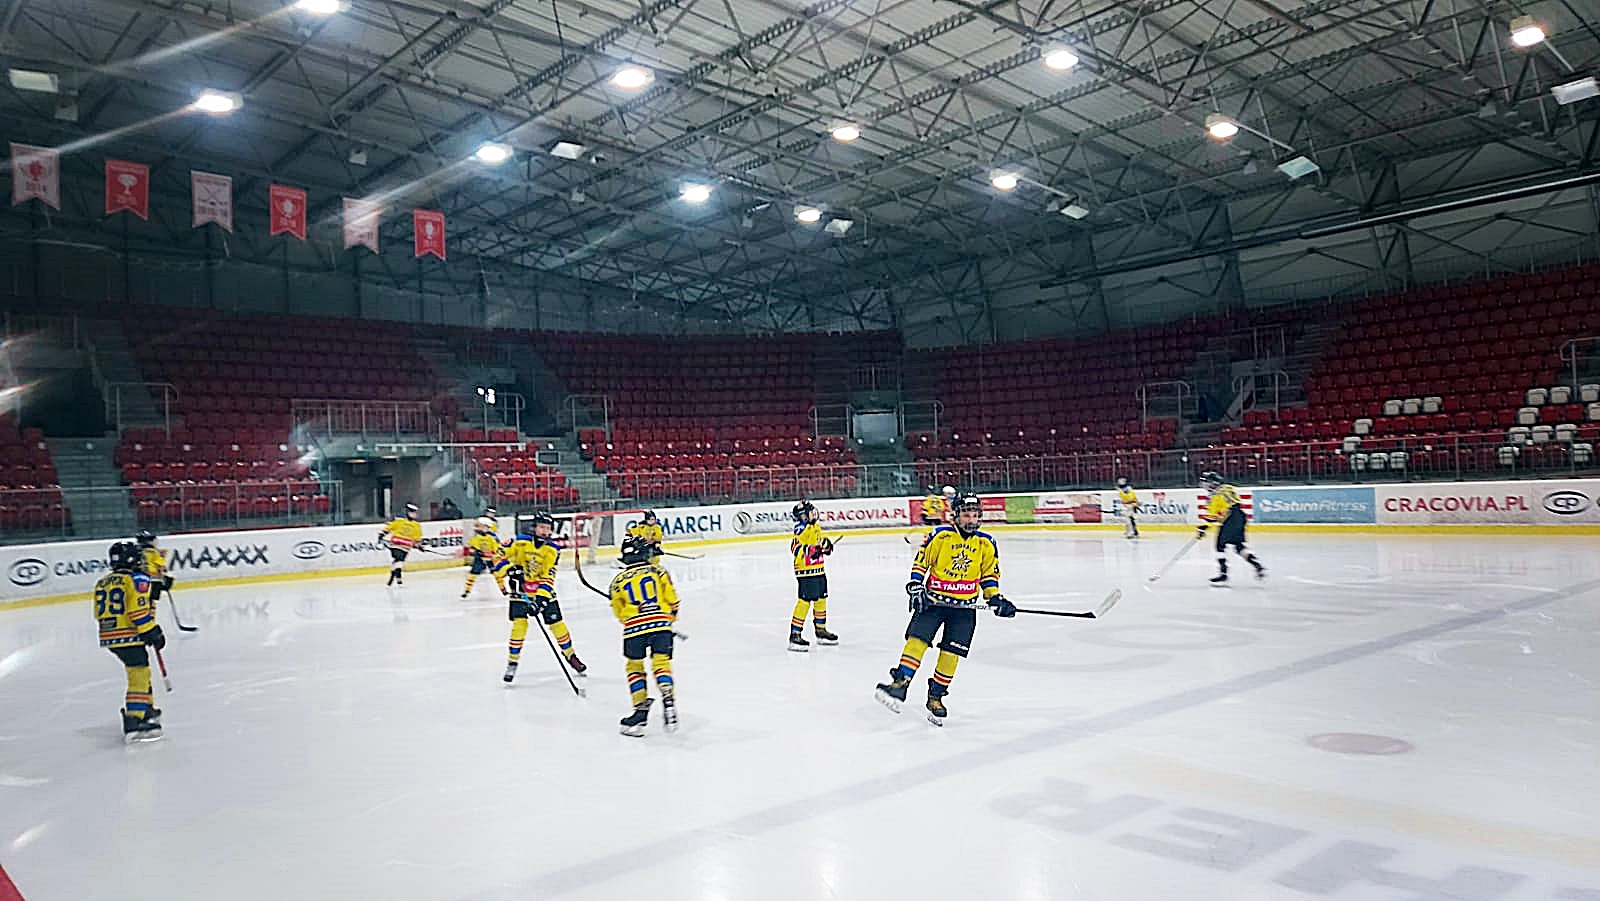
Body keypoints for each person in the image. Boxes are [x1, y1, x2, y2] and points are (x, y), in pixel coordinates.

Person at [874, 494, 1015, 725]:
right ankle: (901, 683)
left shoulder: (986, 543)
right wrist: (915, 585)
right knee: (917, 641)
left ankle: (936, 696)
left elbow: (989, 575)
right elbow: (921, 562)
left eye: (975, 515)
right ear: (955, 516)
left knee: (951, 653)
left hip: (964, 608)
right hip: (933, 602)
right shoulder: (940, 536)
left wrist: (995, 598)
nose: (971, 520)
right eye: (966, 515)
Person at [502, 511, 586, 683]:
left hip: (542, 591)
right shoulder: (519, 541)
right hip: (520, 591)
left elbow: (549, 576)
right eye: (541, 527)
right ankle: (512, 662)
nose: (545, 531)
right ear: (534, 527)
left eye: (548, 528)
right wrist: (509, 569)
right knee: (519, 626)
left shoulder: (553, 549)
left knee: (557, 624)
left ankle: (570, 656)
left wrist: (540, 601)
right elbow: (497, 555)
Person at [95, 541, 166, 742]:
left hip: (109, 635)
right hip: (129, 634)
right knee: (139, 674)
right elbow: (137, 611)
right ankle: (134, 719)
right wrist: (151, 630)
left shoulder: (102, 582)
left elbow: (98, 612)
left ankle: (146, 708)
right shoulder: (135, 579)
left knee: (140, 670)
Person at [610, 536, 681, 737]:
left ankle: (640, 712)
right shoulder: (658, 571)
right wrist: (669, 619)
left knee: (635, 667)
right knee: (661, 662)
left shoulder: (617, 582)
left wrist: (632, 616)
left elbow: (619, 612)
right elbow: (672, 600)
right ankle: (667, 694)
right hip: (660, 623)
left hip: (634, 628)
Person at [787, 500, 838, 651]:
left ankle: (821, 630)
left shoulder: (815, 527)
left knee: (821, 599)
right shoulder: (800, 530)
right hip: (805, 571)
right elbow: (795, 547)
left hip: (819, 569)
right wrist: (809, 550)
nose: (813, 514)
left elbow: (820, 541)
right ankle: (795, 634)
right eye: (809, 512)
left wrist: (826, 546)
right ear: (802, 516)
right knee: (805, 601)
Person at [1196, 471, 1264, 584]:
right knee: (1239, 546)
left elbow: (1212, 516)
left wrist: (1202, 528)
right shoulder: (1229, 488)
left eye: (1206, 482)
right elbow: (1231, 504)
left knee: (1220, 546)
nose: (1204, 485)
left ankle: (1223, 573)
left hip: (1230, 519)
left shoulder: (1214, 496)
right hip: (1241, 516)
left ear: (1212, 483)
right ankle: (1257, 564)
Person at [462, 517, 508, 599]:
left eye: (480, 526)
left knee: (497, 574)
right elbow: (472, 548)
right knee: (473, 574)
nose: (477, 528)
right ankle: (467, 590)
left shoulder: (491, 538)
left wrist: (495, 554)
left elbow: (496, 548)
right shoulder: (476, 538)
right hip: (479, 559)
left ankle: (503, 589)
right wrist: (476, 552)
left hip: (491, 559)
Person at [378, 503, 422, 586]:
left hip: (406, 548)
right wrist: (382, 534)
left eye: (414, 513)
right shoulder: (399, 521)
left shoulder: (417, 525)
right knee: (399, 560)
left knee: (397, 562)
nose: (414, 514)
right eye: (412, 512)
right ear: (407, 513)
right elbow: (388, 528)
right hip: (395, 545)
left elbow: (417, 539)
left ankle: (395, 579)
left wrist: (419, 546)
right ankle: (397, 580)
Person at [135, 529, 174, 603]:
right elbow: (161, 567)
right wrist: (167, 577)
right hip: (155, 580)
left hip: (141, 581)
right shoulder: (155, 552)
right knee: (152, 601)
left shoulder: (137, 552)